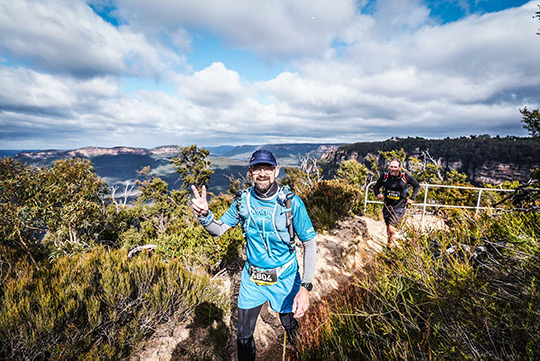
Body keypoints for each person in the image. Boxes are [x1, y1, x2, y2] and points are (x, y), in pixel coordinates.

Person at [190, 149, 317, 361]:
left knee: (289, 323)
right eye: (258, 168)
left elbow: (309, 243)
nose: (263, 173)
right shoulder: (242, 201)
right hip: (253, 279)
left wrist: (305, 287)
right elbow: (218, 229)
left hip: (285, 277)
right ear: (250, 172)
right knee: (243, 334)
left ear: (276, 171)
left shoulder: (291, 203)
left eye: (267, 168)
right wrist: (204, 216)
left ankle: (301, 352)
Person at [373, 159, 421, 244]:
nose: (392, 169)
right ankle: (389, 246)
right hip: (387, 206)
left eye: (395, 167)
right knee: (388, 228)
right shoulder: (385, 176)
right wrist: (377, 194)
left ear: (399, 168)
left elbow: (417, 186)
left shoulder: (405, 177)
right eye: (391, 167)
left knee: (392, 228)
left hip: (399, 207)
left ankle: (395, 247)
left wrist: (412, 198)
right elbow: (376, 186)